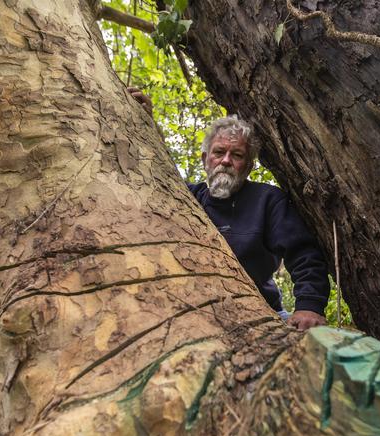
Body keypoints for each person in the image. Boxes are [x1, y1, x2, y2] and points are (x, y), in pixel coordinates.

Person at [128, 88, 329, 330]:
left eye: (236, 155)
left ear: (248, 166)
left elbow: (303, 253)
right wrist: (146, 122)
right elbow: (158, 174)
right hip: (193, 314)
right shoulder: (188, 198)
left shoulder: (268, 200)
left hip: (264, 313)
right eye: (219, 152)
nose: (225, 161)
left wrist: (309, 305)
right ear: (205, 160)